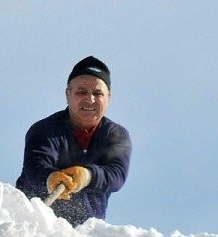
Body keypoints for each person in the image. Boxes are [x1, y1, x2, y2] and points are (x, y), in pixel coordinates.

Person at [16, 56, 132, 226]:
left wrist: (88, 175)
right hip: (32, 227)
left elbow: (116, 175)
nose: (90, 99)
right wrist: (50, 178)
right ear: (68, 94)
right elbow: (36, 166)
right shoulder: (44, 130)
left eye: (98, 93)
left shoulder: (116, 135)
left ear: (109, 97)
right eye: (81, 92)